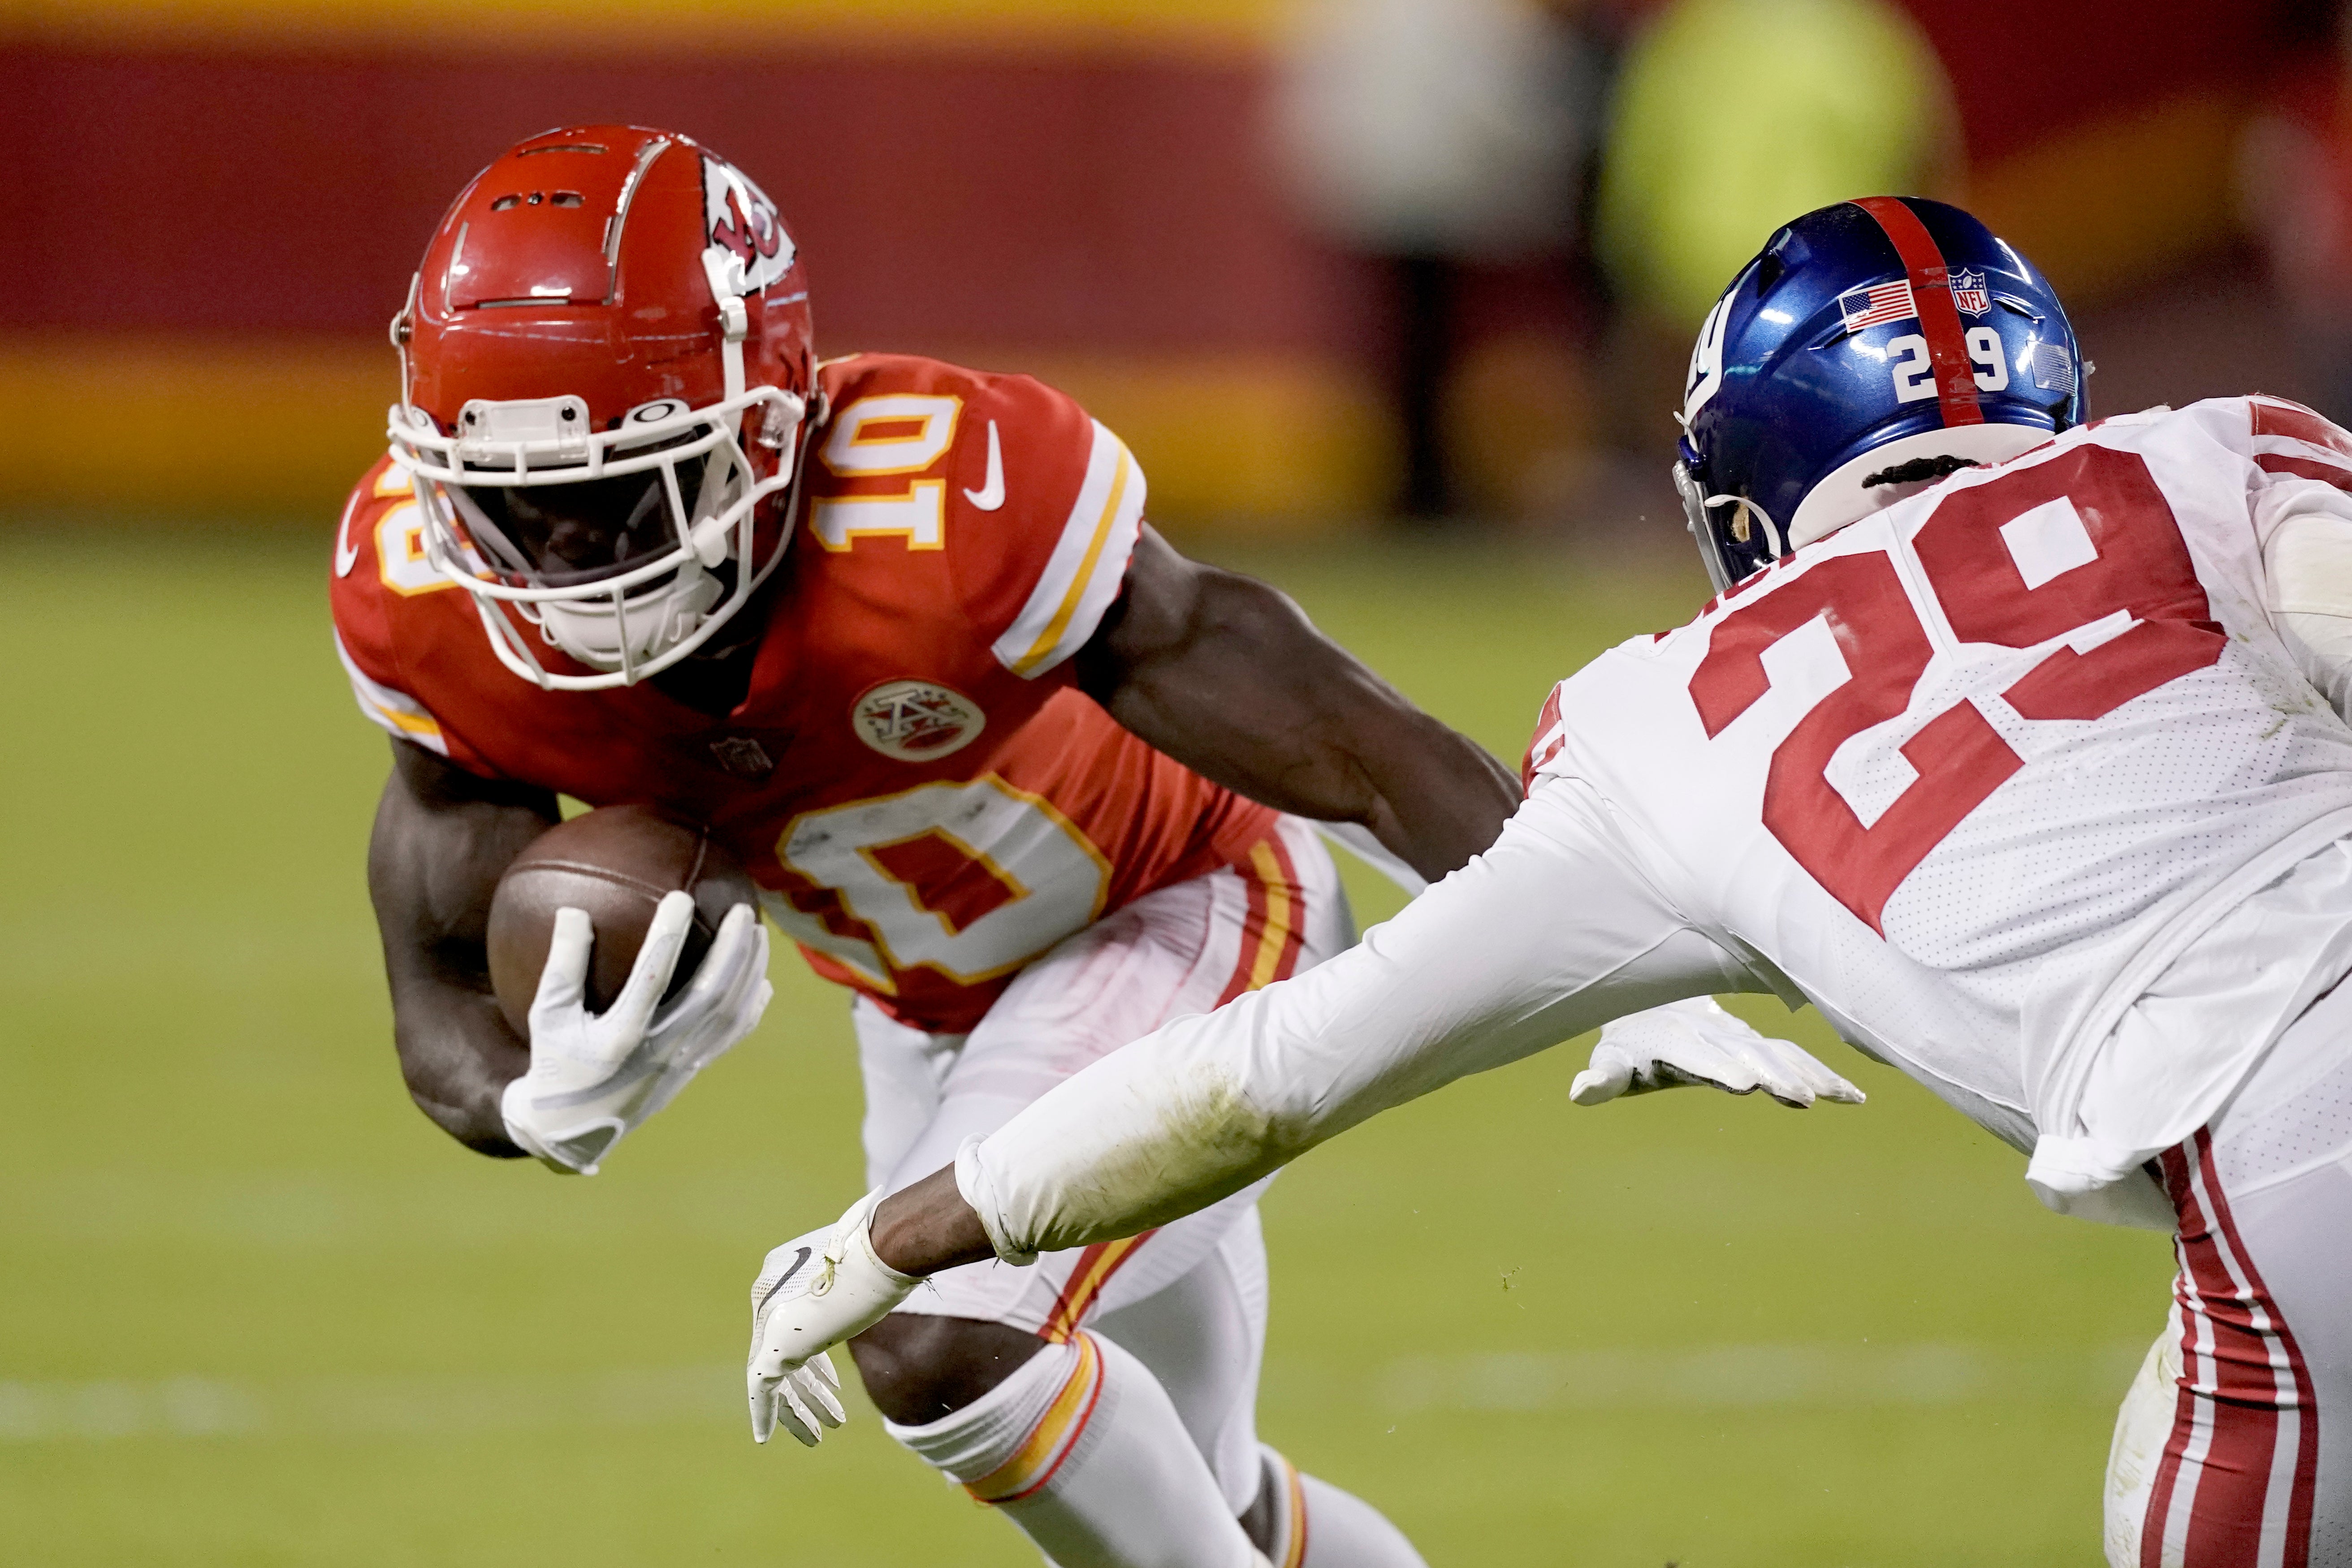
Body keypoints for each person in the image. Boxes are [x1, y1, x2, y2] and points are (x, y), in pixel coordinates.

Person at [747, 197, 2352, 1568]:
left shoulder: (1667, 722)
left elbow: (1273, 1073)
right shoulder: (2218, 452)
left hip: (2284, 1171)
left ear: (1738, 495)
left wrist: (906, 1231)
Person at [333, 124, 1844, 1568]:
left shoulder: (938, 500)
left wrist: (1605, 931)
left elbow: (1333, 732)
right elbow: (438, 972)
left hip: (1177, 903)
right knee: (1216, 1500)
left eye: (620, 491)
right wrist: (532, 1094)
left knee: (942, 1335)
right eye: (523, 509)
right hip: (928, 1019)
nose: (577, 559)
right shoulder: (431, 602)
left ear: (773, 413)